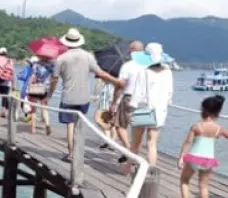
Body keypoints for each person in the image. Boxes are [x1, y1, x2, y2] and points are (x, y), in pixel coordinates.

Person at [49, 28, 122, 162]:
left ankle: (71, 154)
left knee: (70, 124)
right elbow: (101, 73)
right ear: (79, 41)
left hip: (68, 97)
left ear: (67, 42)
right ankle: (78, 152)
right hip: (84, 98)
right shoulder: (88, 56)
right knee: (79, 125)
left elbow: (54, 79)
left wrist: (50, 93)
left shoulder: (61, 58)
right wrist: (118, 81)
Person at [126, 42, 172, 172]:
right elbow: (169, 93)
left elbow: (138, 93)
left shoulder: (144, 71)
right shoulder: (168, 71)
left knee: (135, 142)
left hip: (143, 110)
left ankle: (128, 167)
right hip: (160, 112)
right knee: (152, 143)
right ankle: (150, 171)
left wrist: (131, 108)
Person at [111, 41, 145, 163]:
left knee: (119, 125)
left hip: (129, 98)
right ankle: (135, 153)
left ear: (132, 51)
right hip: (145, 100)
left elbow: (120, 86)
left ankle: (128, 149)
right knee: (139, 130)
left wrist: (114, 102)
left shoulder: (128, 66)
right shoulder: (148, 65)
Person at [27, 56, 54, 135]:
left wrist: (29, 87)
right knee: (45, 108)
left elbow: (33, 76)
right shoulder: (51, 65)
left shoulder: (36, 65)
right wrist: (51, 91)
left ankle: (33, 129)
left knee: (33, 110)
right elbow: (53, 78)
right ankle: (47, 124)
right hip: (46, 88)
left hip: (36, 87)